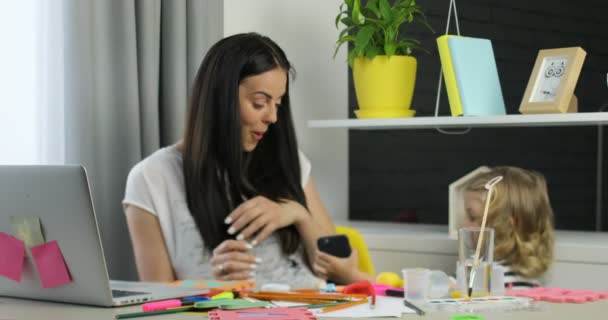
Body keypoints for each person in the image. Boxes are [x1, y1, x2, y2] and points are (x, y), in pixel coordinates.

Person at [123, 33, 340, 289]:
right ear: (220, 98)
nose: (272, 117)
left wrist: (297, 213)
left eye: (278, 104)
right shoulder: (151, 178)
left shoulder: (288, 161)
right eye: (260, 103)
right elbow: (155, 293)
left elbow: (341, 263)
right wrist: (214, 284)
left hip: (315, 308)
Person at [463, 166, 555, 288]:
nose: (463, 225)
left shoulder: (502, 282)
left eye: (472, 217)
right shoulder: (480, 270)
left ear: (509, 226)